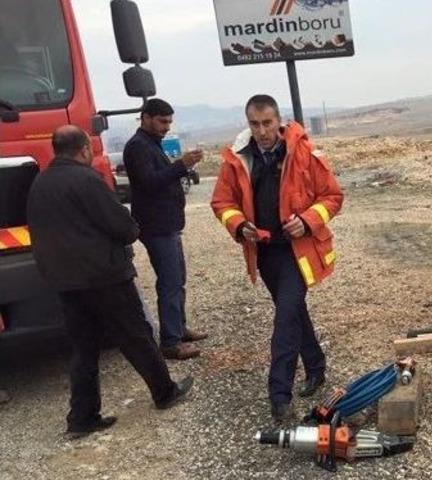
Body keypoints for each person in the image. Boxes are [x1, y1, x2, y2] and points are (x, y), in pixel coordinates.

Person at [27, 126, 193, 440]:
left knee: (83, 348)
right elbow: (124, 227)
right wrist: (130, 229)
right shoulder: (87, 180)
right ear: (84, 150)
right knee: (135, 335)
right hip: (103, 275)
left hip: (65, 281)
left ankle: (82, 417)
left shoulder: (40, 182)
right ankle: (165, 392)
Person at [211, 95, 343, 423]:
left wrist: (308, 219)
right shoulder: (237, 159)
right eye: (255, 124)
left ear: (278, 120)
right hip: (266, 254)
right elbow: (222, 202)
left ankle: (279, 395)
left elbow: (333, 196)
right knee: (293, 309)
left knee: (285, 316)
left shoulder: (303, 154)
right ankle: (316, 367)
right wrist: (241, 225)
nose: (262, 131)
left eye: (267, 123)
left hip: (298, 252)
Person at [123, 99, 207, 360]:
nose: (166, 127)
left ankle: (179, 328)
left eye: (169, 122)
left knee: (177, 279)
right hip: (156, 227)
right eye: (162, 121)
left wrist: (182, 167)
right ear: (145, 118)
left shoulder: (152, 144)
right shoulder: (137, 147)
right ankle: (170, 342)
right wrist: (180, 165)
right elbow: (149, 183)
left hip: (168, 225)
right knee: (170, 282)